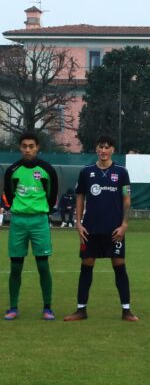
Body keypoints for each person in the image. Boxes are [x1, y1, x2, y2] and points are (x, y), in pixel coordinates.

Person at [64, 135, 138, 322]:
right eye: (100, 147)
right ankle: (81, 310)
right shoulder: (86, 172)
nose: (103, 151)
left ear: (112, 150)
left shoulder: (121, 173)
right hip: (91, 229)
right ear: (96, 149)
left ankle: (126, 311)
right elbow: (80, 197)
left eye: (107, 147)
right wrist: (79, 223)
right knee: (86, 266)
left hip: (114, 230)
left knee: (119, 266)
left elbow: (126, 199)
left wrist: (124, 224)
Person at [3, 132, 58, 320]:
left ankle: (47, 307)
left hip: (39, 221)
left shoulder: (47, 170)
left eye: (31, 146)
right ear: (20, 147)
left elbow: (52, 196)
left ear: (37, 147)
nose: (28, 149)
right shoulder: (12, 170)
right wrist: (21, 209)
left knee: (43, 266)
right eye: (24, 146)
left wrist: (40, 210)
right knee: (16, 266)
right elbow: (9, 196)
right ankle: (13, 307)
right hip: (18, 221)